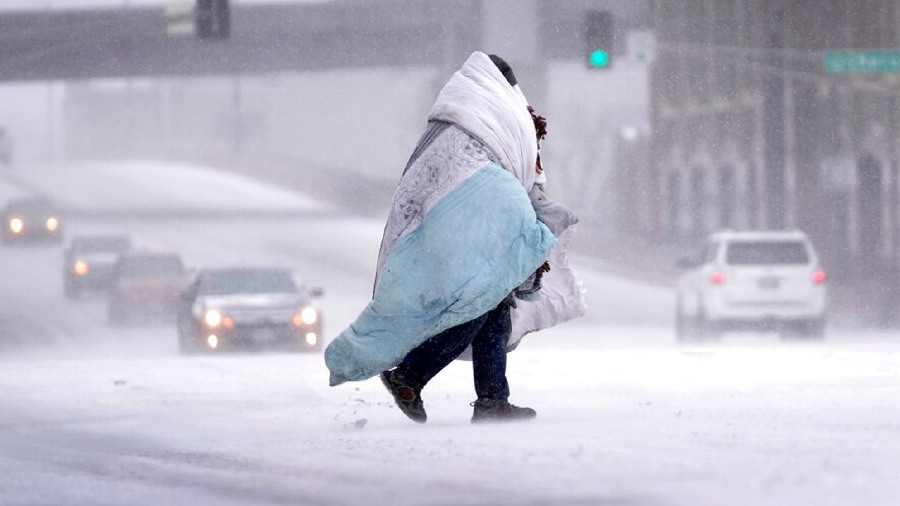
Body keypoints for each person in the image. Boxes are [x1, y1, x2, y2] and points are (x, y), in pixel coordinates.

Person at [324, 51, 583, 423]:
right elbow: (510, 173)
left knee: (492, 307)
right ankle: (410, 376)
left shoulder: (454, 121)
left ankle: (493, 399)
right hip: (468, 227)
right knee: (478, 303)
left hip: (448, 227)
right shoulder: (496, 118)